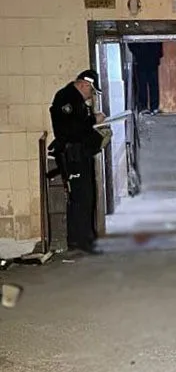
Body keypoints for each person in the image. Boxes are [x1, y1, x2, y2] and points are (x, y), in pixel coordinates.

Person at [49, 70, 111, 254]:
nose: (91, 96)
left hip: (80, 154)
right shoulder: (66, 98)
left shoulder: (74, 99)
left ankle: (82, 239)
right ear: (84, 84)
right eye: (91, 91)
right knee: (81, 197)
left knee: (85, 196)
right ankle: (82, 241)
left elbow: (78, 126)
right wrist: (93, 119)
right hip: (74, 155)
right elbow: (72, 129)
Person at [129, 42, 163, 114]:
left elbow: (158, 41)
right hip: (141, 57)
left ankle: (154, 107)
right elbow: (131, 43)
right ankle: (143, 107)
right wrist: (136, 52)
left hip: (152, 56)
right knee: (142, 84)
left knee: (153, 83)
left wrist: (159, 54)